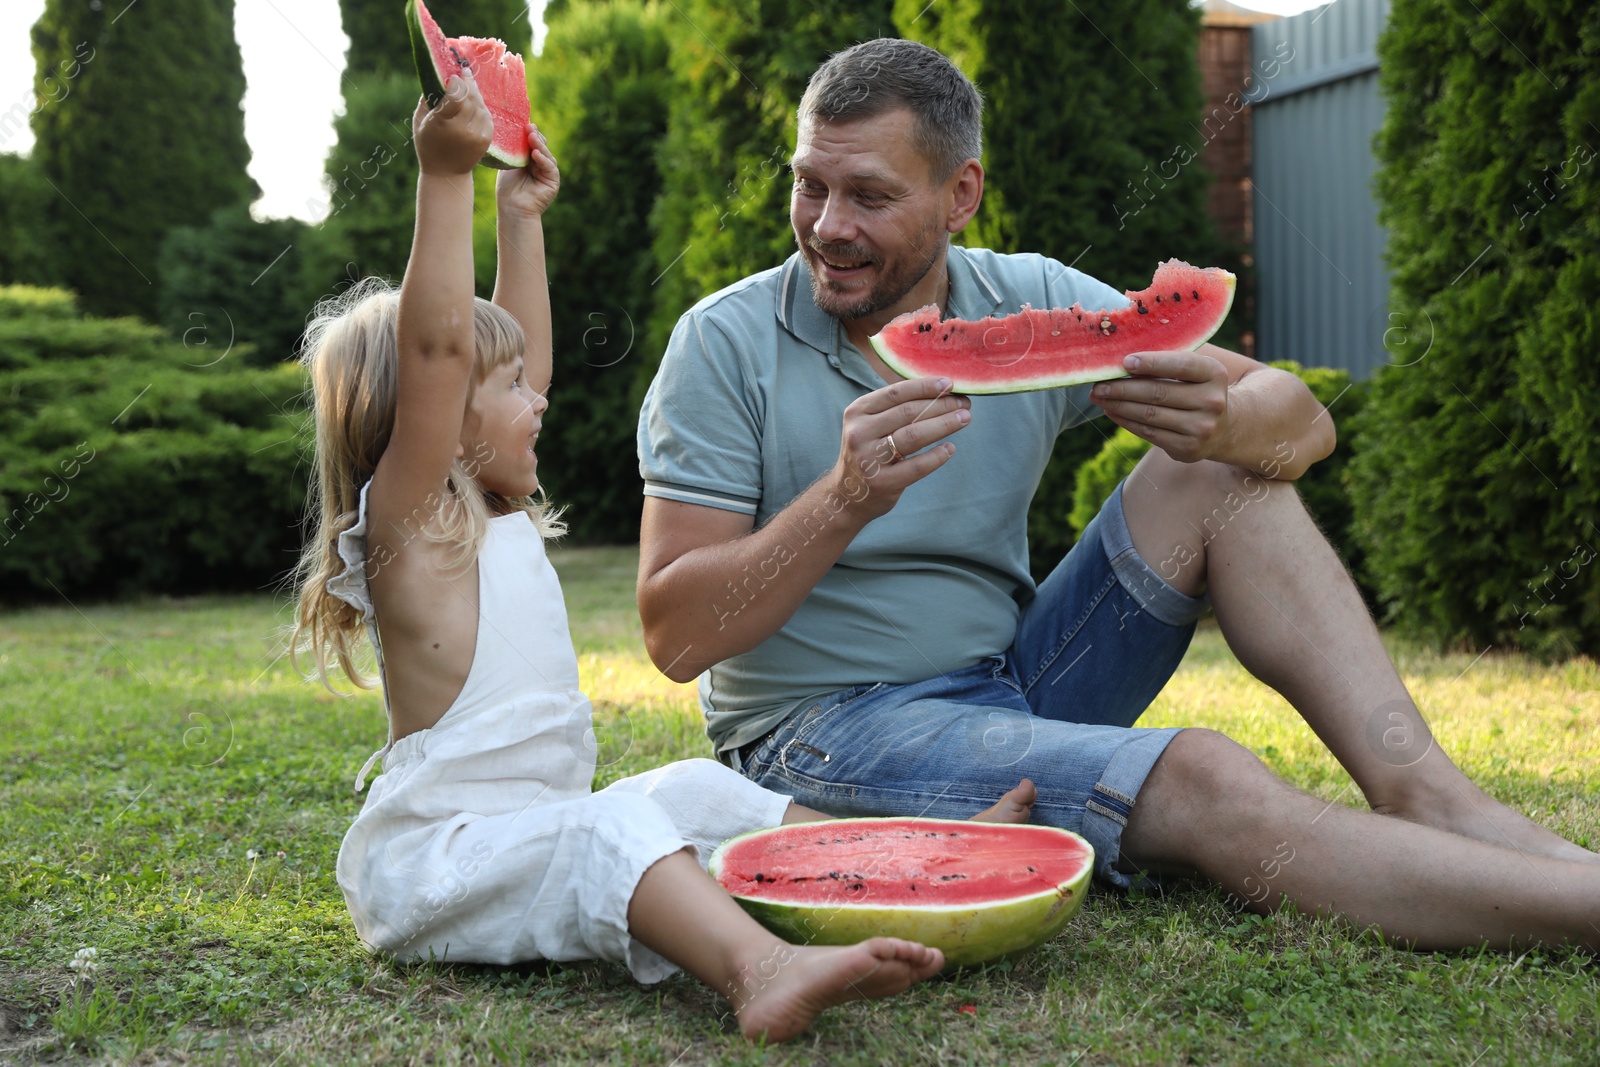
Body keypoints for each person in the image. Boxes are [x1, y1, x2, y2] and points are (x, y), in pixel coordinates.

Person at [636, 38, 1600, 952]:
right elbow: (674, 638)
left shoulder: (1023, 298)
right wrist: (841, 500)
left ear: (960, 193)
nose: (828, 225)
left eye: (870, 195)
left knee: (1219, 472)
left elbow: (1302, 420)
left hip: (1010, 678)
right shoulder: (723, 346)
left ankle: (1432, 796)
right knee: (1204, 771)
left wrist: (1228, 426)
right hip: (819, 733)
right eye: (810, 184)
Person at [289, 72, 1037, 1043]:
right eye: (510, 388)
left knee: (693, 788)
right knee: (611, 826)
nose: (540, 397)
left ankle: (916, 859)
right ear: (429, 425)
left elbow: (512, 355)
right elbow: (438, 354)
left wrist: (521, 216)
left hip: (529, 829)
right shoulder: (410, 538)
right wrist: (446, 178)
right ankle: (759, 969)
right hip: (443, 862)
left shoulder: (492, 509)